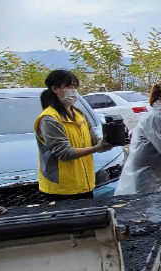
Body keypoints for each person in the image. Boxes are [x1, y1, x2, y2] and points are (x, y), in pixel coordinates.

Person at [35, 70, 114, 201]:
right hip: (61, 190)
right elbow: (64, 152)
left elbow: (94, 140)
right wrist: (97, 148)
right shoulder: (50, 119)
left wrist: (111, 141)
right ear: (55, 89)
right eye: (68, 87)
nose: (72, 91)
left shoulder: (79, 115)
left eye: (74, 87)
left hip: (84, 185)